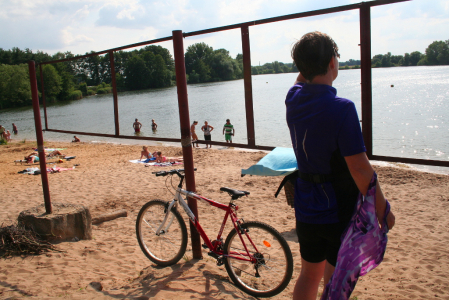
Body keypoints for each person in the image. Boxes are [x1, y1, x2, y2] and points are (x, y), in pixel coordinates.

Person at [286, 31, 395, 300]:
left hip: (306, 206)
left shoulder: (294, 98)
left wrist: (313, 60)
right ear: (333, 63)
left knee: (308, 274)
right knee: (333, 281)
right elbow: (359, 168)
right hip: (337, 210)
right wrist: (383, 209)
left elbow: (303, 78)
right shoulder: (342, 108)